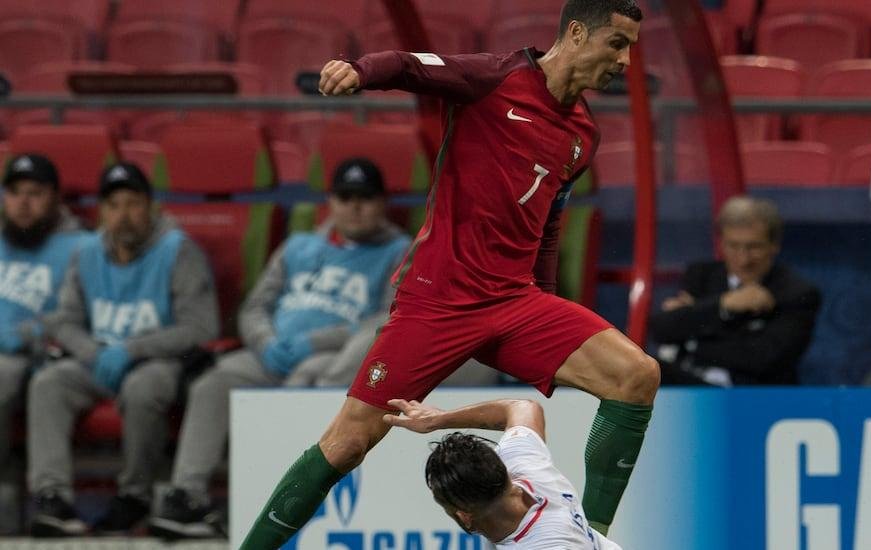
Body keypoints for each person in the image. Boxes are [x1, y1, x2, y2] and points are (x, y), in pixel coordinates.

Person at [239, 2, 658, 547]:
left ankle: (593, 538)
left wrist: (547, 304)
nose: (626, 61)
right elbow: (409, 64)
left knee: (636, 377)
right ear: (577, 32)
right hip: (437, 302)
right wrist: (359, 71)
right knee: (347, 444)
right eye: (618, 43)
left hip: (515, 302)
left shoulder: (583, 135)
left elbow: (548, 224)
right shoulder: (494, 78)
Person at [148, 159, 411, 539]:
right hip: (271, 353)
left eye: (366, 198)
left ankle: (290, 499)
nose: (355, 207)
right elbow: (255, 306)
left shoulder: (400, 250)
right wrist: (266, 341)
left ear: (382, 203)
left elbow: (387, 320)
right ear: (331, 201)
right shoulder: (299, 246)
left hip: (333, 358)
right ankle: (187, 497)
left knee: (315, 377)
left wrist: (314, 342)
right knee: (214, 383)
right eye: (346, 197)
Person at [28, 163, 219, 536]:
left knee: (142, 388)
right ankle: (53, 498)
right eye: (114, 205)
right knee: (49, 384)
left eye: (133, 204)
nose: (124, 215)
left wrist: (132, 350)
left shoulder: (178, 250)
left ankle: (135, 495)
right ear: (102, 211)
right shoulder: (86, 253)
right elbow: (63, 321)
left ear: (151, 206)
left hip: (160, 362)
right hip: (99, 360)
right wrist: (92, 353)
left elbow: (200, 327)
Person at [385, 398, 621, 549]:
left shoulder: (548, 544)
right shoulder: (523, 464)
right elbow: (523, 407)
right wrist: (439, 419)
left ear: (465, 517)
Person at [649, 196, 820, 385]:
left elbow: (764, 358)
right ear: (721, 243)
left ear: (774, 245)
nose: (743, 259)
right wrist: (724, 304)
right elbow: (661, 329)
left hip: (752, 396)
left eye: (753, 247)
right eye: (733, 246)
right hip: (690, 385)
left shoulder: (797, 292)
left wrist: (691, 339)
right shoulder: (701, 275)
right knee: (646, 371)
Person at [0, 155, 88, 495]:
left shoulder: (81, 246)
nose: (23, 203)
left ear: (54, 197)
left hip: (42, 353)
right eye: (15, 192)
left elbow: (82, 315)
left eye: (34, 193)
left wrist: (30, 333)